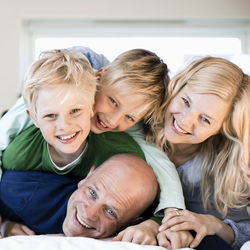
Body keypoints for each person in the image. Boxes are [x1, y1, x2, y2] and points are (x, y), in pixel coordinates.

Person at [0, 46, 185, 242]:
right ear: (99, 77)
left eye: (129, 117)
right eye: (112, 101)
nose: (113, 120)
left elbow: (157, 161)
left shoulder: (122, 143)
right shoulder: (31, 124)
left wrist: (160, 219)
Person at [146, 56, 249, 250]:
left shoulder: (225, 170)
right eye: (185, 101)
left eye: (205, 120)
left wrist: (214, 224)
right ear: (177, 87)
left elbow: (246, 231)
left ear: (221, 128)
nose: (185, 121)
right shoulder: (138, 121)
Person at [0, 154, 158, 238]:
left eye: (110, 212)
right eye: (92, 192)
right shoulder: (27, 190)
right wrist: (5, 225)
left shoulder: (138, 227)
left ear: (131, 223)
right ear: (86, 178)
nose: (89, 214)